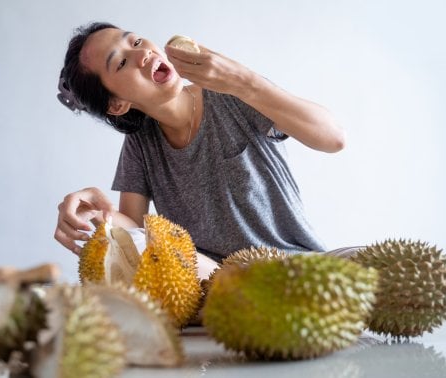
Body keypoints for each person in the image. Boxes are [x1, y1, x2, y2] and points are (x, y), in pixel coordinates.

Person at [54, 22, 346, 274]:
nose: (143, 54)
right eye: (121, 62)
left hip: (301, 268)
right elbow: (135, 232)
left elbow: (333, 138)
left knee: (363, 265)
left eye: (137, 41)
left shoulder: (231, 92)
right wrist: (94, 211)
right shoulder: (141, 142)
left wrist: (243, 81)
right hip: (220, 286)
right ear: (117, 104)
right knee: (144, 252)